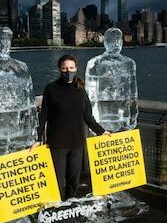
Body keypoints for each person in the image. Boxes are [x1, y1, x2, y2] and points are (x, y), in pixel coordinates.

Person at [31, 54, 110, 200]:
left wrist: (102, 132)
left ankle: (71, 204)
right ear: (59, 70)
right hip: (57, 144)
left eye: (71, 68)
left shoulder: (81, 90)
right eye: (65, 68)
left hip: (77, 143)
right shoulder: (51, 89)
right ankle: (55, 208)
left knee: (74, 181)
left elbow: (88, 117)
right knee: (57, 180)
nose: (68, 71)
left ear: (76, 69)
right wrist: (38, 138)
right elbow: (43, 117)